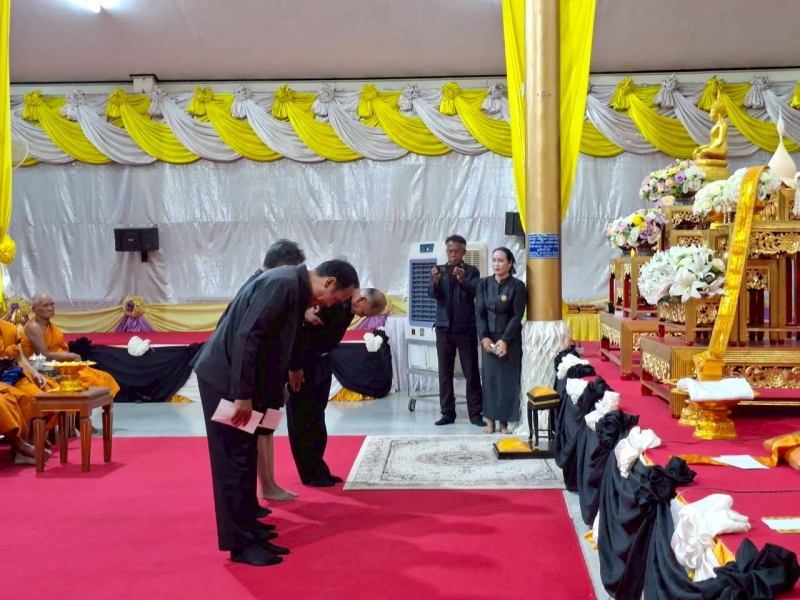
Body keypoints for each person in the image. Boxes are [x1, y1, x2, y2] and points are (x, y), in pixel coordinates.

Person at [192, 260, 359, 567]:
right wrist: (242, 395)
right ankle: (240, 544)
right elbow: (247, 336)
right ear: (329, 282)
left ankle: (250, 529)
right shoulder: (282, 284)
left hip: (244, 385)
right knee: (233, 461)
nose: (331, 304)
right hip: (226, 383)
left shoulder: (294, 289)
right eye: (336, 298)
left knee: (246, 456)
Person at [226, 240, 307, 506]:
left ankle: (269, 483)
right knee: (253, 434)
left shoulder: (271, 283)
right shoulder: (264, 285)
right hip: (250, 377)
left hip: (268, 375)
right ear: (284, 266)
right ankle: (263, 487)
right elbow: (246, 337)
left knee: (267, 429)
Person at [286, 287, 387, 487]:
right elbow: (298, 333)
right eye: (365, 312)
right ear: (362, 300)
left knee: (317, 418)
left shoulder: (348, 308)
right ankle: (309, 473)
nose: (363, 317)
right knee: (301, 419)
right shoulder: (332, 302)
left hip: (323, 361)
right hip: (304, 364)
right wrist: (294, 366)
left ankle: (319, 468)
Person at [428, 235, 484, 426]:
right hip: (443, 328)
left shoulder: (472, 271)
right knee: (445, 373)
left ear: (463, 252)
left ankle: (475, 414)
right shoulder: (440, 270)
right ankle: (447, 413)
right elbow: (432, 294)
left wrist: (462, 279)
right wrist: (436, 280)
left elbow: (474, 293)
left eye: (456, 251)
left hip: (466, 328)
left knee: (471, 372)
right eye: (449, 251)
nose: (452, 254)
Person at [21, 295, 120, 397]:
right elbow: (44, 355)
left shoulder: (47, 324)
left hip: (59, 362)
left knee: (105, 377)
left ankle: (102, 404)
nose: (50, 308)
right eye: (45, 306)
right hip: (43, 366)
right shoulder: (34, 327)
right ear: (34, 310)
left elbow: (58, 347)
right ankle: (82, 406)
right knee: (91, 380)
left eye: (51, 304)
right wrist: (71, 356)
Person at [475, 248, 526, 434]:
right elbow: (479, 313)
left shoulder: (517, 286)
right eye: (494, 260)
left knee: (506, 380)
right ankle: (490, 421)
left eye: (501, 260)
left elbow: (517, 315)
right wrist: (484, 338)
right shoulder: (483, 284)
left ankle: (504, 422)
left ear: (510, 263)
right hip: (489, 338)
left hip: (509, 339)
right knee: (489, 379)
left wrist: (504, 340)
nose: (496, 264)